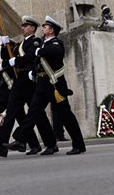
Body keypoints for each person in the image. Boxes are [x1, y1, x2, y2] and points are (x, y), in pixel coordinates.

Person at [11, 16, 86, 155]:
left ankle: (79, 145)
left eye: (45, 27)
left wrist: (40, 51)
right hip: (42, 85)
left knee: (66, 116)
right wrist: (33, 72)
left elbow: (57, 52)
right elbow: (38, 62)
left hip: (55, 85)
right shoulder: (44, 45)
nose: (43, 29)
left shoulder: (56, 43)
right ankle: (20, 138)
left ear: (51, 31)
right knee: (33, 112)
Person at [0, 16, 51, 157]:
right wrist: (5, 45)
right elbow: (6, 57)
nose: (22, 28)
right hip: (19, 81)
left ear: (33, 28)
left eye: (26, 26)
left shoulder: (35, 42)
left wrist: (16, 60)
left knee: (38, 114)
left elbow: (31, 57)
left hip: (29, 80)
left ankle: (50, 143)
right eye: (22, 26)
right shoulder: (20, 44)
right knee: (11, 111)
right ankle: (2, 144)